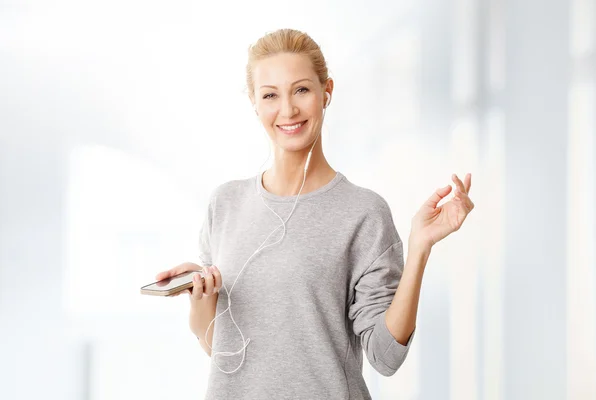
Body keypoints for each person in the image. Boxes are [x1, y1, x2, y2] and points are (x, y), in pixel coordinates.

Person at [155, 28, 474, 400]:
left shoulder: (363, 212)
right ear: (254, 103)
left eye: (301, 90)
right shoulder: (224, 204)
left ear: (327, 93)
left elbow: (386, 357)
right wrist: (202, 298)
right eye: (270, 95)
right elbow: (221, 350)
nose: (287, 109)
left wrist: (420, 247)